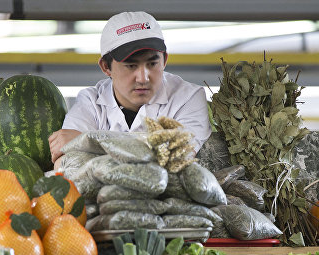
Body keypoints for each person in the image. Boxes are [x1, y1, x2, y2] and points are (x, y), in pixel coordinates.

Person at [48, 11, 211, 164]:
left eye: (152, 63)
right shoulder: (91, 102)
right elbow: (66, 164)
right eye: (131, 65)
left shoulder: (189, 98)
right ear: (106, 67)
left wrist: (90, 141)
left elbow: (177, 158)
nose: (143, 78)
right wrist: (152, 149)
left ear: (165, 60)